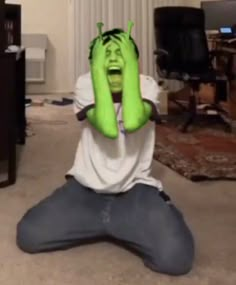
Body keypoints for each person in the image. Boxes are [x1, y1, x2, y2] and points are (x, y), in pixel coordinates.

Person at [16, 23, 194, 276]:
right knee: (30, 235)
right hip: (85, 188)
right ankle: (103, 221)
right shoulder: (87, 84)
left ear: (134, 61)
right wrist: (98, 68)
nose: (112, 58)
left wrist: (131, 66)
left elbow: (131, 123)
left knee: (176, 259)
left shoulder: (146, 85)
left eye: (120, 53)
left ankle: (150, 209)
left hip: (136, 189)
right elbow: (108, 127)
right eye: (105, 53)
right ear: (94, 63)